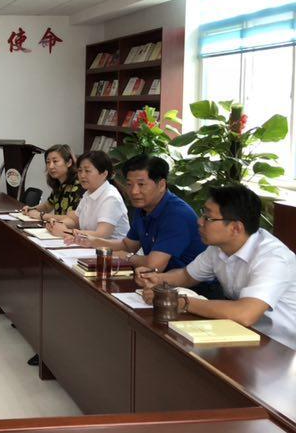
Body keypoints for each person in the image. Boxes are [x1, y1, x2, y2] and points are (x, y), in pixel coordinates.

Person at [137, 185, 296, 350]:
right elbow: (187, 276)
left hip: (282, 349)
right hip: (242, 335)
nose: (199, 221)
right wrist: (157, 279)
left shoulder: (273, 258)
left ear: (235, 228)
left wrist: (181, 302)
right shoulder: (218, 247)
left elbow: (245, 313)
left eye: (208, 218)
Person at [73, 155, 205, 273]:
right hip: (157, 281)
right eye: (129, 184)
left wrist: (127, 257)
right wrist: (93, 241)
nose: (134, 191)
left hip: (191, 288)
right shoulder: (143, 208)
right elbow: (128, 245)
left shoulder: (177, 214)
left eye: (141, 184)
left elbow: (154, 265)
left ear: (161, 185)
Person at [48, 150, 129, 241]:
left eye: (87, 171)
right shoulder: (88, 193)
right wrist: (58, 224)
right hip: (89, 246)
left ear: (104, 174)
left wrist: (66, 231)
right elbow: (75, 220)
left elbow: (101, 234)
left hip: (110, 248)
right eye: (80, 171)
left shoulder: (111, 197)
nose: (82, 175)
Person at [21, 144, 84, 221]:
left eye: (55, 161)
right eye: (48, 162)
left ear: (69, 163)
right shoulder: (59, 183)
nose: (50, 166)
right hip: (58, 227)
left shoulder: (79, 185)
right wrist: (32, 209)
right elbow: (48, 205)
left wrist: (42, 215)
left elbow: (73, 219)